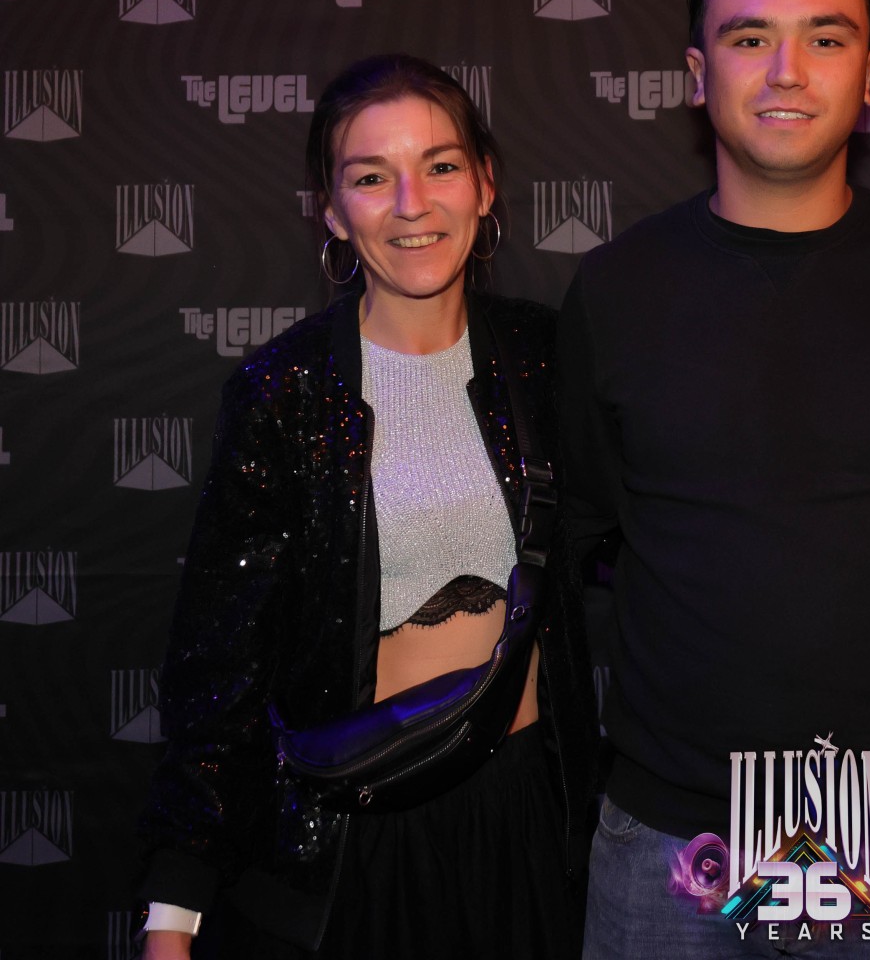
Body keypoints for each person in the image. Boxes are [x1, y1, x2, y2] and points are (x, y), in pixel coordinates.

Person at [559, 0, 870, 958]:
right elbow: (586, 536)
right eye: (749, 38)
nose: (786, 70)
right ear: (695, 74)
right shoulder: (616, 290)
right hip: (676, 833)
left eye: (824, 38)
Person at [135, 55, 595, 959]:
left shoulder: (549, 359)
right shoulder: (284, 391)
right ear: (333, 211)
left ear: (485, 185)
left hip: (530, 824)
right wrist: (173, 911)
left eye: (440, 165)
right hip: (356, 834)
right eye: (372, 178)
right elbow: (220, 662)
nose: (412, 204)